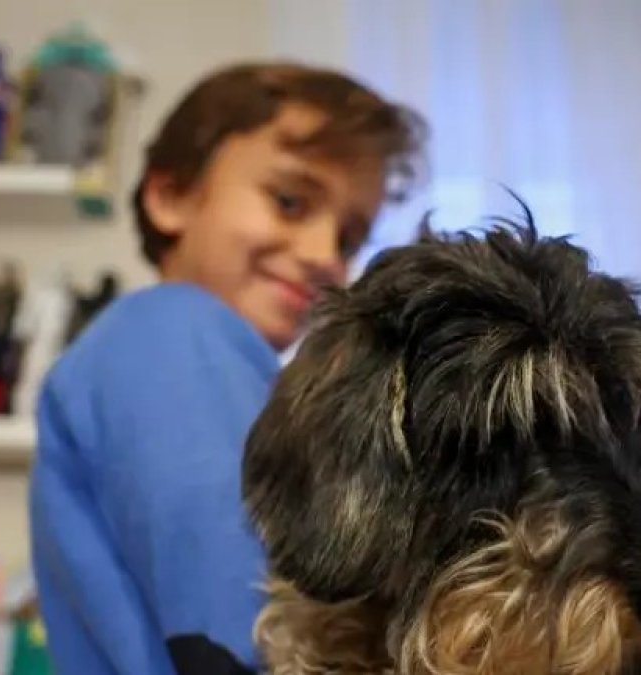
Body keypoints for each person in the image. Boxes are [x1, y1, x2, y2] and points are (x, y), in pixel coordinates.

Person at [28, 62, 427, 674]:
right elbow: (260, 630)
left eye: (349, 239)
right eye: (289, 201)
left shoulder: (172, 354)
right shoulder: (170, 332)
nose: (324, 256)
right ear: (170, 196)